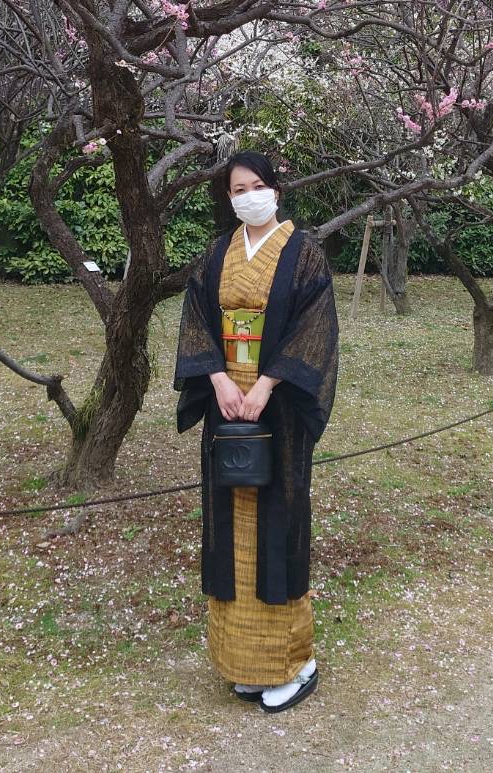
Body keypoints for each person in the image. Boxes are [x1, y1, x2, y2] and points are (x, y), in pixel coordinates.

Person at [174, 150, 339, 713]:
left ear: (276, 190)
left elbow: (315, 330)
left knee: (278, 522)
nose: (247, 196)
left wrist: (266, 386)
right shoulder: (217, 253)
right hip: (226, 402)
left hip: (278, 405)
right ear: (229, 197)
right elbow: (197, 317)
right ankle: (243, 663)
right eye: (237, 189)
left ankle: (294, 663)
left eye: (255, 186)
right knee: (229, 527)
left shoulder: (305, 254)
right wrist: (218, 380)